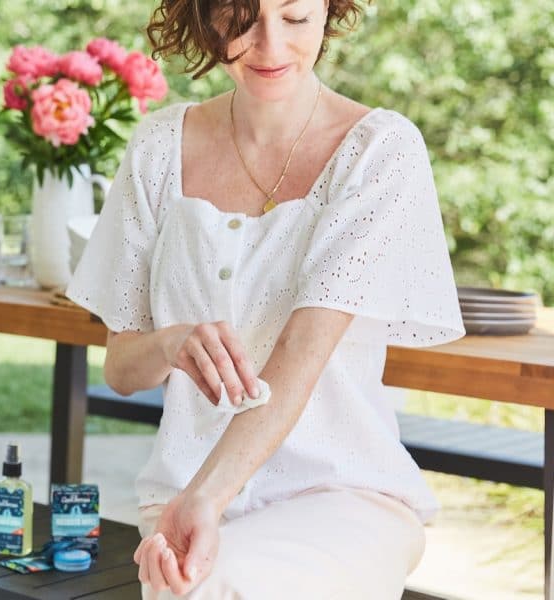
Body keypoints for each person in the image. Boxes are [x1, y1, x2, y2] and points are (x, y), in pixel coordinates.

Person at [66, 0, 465, 597]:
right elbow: (121, 368)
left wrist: (207, 497)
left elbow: (300, 359)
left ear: (328, 13)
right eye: (240, 18)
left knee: (218, 589)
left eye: (296, 19)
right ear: (202, 15)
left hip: (341, 496)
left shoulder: (380, 152)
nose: (270, 47)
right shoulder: (157, 148)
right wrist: (172, 343)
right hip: (183, 493)